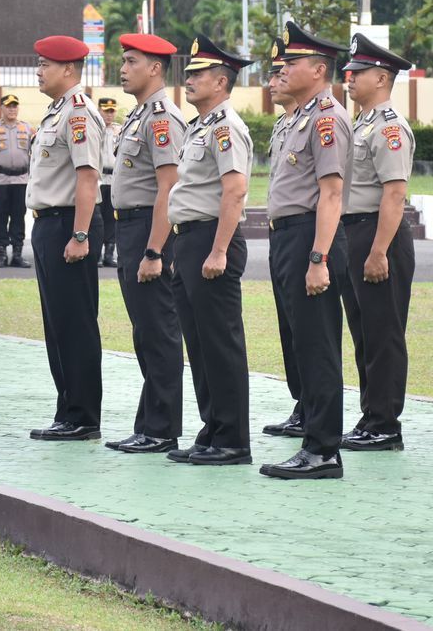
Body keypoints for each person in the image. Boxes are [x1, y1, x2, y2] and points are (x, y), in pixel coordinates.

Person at [260, 21, 351, 481]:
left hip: (310, 237)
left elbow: (331, 194)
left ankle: (323, 450)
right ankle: (311, 439)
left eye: (292, 62)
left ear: (318, 70)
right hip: (286, 236)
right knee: (300, 342)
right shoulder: (295, 117)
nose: (283, 69)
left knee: (317, 346)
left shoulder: (326, 119)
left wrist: (319, 258)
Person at [165, 35, 254, 466]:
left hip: (210, 240)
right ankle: (213, 429)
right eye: (189, 74)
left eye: (198, 74)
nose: (189, 80)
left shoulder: (225, 127)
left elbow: (234, 191)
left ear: (221, 81)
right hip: (189, 239)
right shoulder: (200, 125)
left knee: (220, 343)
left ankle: (233, 439)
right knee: (199, 344)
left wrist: (218, 251)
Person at [104, 35, 186, 455]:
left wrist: (154, 250)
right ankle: (150, 422)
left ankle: (162, 427)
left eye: (131, 61)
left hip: (148, 231)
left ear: (155, 68)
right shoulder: (139, 116)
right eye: (123, 60)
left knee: (158, 332)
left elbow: (168, 187)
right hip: (130, 228)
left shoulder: (161, 119)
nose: (123, 67)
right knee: (144, 332)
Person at [338, 34, 416, 452]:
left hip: (378, 234)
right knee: (364, 332)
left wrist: (379, 250)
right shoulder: (362, 123)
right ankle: (371, 415)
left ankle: (386, 423)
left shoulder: (388, 127)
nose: (348, 77)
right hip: (357, 231)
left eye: (358, 72)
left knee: (384, 334)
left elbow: (394, 193)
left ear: (382, 77)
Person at [26, 36, 106, 441]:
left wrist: (80, 233)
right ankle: (67, 410)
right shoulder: (57, 112)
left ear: (69, 70)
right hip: (47, 223)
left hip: (67, 225)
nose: (38, 71)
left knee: (75, 323)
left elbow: (87, 176)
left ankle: (83, 416)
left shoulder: (79, 113)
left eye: (45, 64)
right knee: (57, 324)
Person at [258, 36, 306, 440]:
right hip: (280, 235)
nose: (274, 81)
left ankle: (313, 408)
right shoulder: (285, 124)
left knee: (308, 328)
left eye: (279, 72)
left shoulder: (318, 121)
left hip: (304, 235)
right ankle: (302, 402)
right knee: (289, 327)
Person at [0, 95, 34, 268]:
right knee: (1, 217)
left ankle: (17, 254)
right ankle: (2, 253)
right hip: (0, 180)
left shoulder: (26, 128)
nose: (12, 109)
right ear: (1, 108)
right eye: (8, 106)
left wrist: (33, 181)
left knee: (19, 217)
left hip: (21, 179)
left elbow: (34, 157)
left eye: (14, 106)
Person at [98, 97, 122, 268]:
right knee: (98, 219)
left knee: (111, 218)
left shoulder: (119, 130)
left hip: (113, 179)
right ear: (99, 110)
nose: (109, 114)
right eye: (106, 111)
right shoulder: (95, 129)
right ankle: (97, 253)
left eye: (112, 111)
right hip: (99, 180)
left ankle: (109, 254)